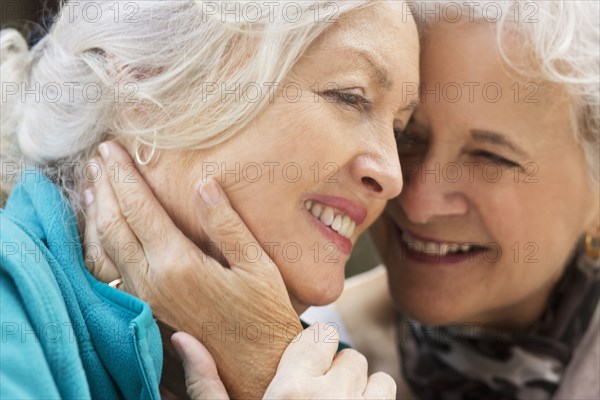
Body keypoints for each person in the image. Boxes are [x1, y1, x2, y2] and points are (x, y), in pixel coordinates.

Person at [84, 0, 599, 399]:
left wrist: (265, 359)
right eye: (408, 136)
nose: (414, 198)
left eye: (491, 157)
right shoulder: (319, 330)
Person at [0, 0, 420, 398]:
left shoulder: (326, 373)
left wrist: (264, 364)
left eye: (399, 131)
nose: (392, 174)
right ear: (145, 83)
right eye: (350, 96)